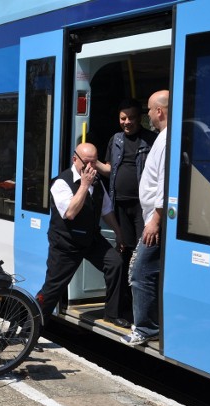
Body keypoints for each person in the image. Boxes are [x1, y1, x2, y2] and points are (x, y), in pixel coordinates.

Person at [35, 143, 125, 324]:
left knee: (115, 263)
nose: (91, 168)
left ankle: (112, 314)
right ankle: (27, 329)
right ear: (75, 159)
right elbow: (70, 213)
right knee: (52, 289)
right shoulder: (61, 182)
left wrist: (118, 233)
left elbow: (106, 209)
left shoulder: (97, 181)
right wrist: (84, 185)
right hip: (66, 244)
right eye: (87, 163)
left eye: (94, 163)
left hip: (90, 239)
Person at [94, 99, 157, 326]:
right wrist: (93, 163)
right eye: (123, 118)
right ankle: (123, 305)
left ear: (139, 117)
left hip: (143, 208)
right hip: (119, 205)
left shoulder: (151, 139)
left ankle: (143, 308)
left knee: (143, 254)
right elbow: (110, 169)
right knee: (124, 252)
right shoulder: (116, 139)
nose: (127, 122)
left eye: (130, 118)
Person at [121, 90, 169, 346]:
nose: (149, 114)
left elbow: (165, 184)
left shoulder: (166, 140)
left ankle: (147, 329)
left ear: (159, 112)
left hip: (155, 219)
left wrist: (155, 220)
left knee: (139, 272)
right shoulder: (164, 138)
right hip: (153, 216)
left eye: (150, 110)